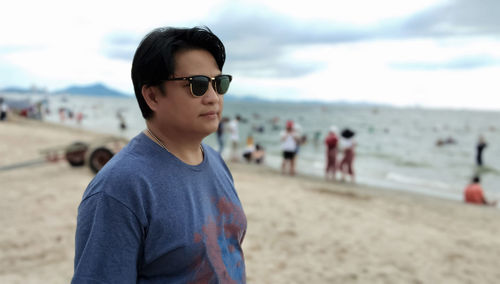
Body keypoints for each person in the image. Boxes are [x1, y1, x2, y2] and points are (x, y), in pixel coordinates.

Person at [72, 27, 247, 283]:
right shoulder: (120, 188)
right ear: (152, 96)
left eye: (219, 83)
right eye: (197, 85)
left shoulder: (216, 162)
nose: (213, 98)